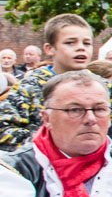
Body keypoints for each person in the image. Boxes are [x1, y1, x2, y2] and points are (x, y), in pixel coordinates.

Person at [0, 14, 95, 151]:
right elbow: (4, 129)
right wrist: (52, 144)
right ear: (49, 49)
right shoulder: (30, 86)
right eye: (70, 42)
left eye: (86, 43)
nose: (81, 48)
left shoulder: (102, 87)